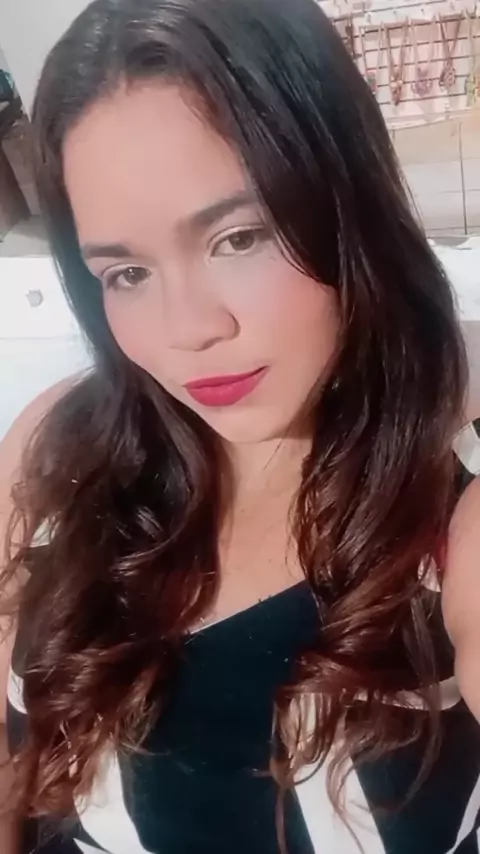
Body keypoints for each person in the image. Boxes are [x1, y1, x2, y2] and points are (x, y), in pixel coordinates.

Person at [0, 0, 480, 851]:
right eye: (127, 273)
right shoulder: (58, 446)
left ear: (346, 207)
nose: (186, 330)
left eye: (239, 237)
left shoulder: (457, 518)